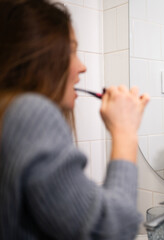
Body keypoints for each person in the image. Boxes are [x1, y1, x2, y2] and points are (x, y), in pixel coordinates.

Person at [0, 0, 149, 239]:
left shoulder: (8, 112)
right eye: (70, 51)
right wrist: (125, 131)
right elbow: (112, 231)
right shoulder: (28, 112)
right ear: (37, 56)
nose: (82, 67)